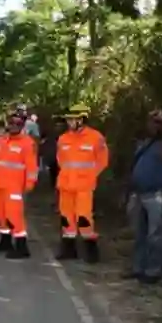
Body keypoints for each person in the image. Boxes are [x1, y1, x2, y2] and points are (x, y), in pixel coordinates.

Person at [125, 109, 162, 284]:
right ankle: (138, 268)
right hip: (138, 194)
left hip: (155, 193)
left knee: (156, 234)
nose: (152, 125)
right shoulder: (144, 143)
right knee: (139, 233)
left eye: (156, 123)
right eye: (151, 122)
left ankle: (153, 271)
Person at [55, 103, 109, 263]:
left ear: (82, 120)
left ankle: (91, 251)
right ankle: (68, 249)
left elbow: (103, 160)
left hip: (84, 186)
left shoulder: (96, 137)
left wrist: (90, 175)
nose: (68, 123)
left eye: (72, 120)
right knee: (66, 217)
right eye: (68, 120)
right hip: (65, 185)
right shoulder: (63, 138)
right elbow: (61, 160)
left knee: (84, 218)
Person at [0, 110, 39, 259]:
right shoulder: (0, 140)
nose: (13, 126)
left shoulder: (27, 143)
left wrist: (30, 183)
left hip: (15, 186)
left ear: (22, 124)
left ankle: (22, 246)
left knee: (14, 216)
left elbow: (32, 166)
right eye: (11, 122)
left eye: (17, 123)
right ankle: (5, 242)